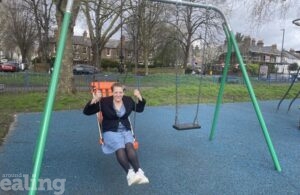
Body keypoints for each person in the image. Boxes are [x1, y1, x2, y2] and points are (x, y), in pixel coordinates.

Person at [83, 82, 149, 186]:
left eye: (120, 92)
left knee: (129, 145)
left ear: (123, 93)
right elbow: (87, 112)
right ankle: (130, 174)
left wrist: (140, 97)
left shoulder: (128, 100)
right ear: (112, 93)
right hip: (110, 130)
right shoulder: (104, 102)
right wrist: (95, 99)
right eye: (116, 92)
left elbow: (139, 109)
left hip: (125, 129)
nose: (118, 95)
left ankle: (139, 172)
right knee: (120, 147)